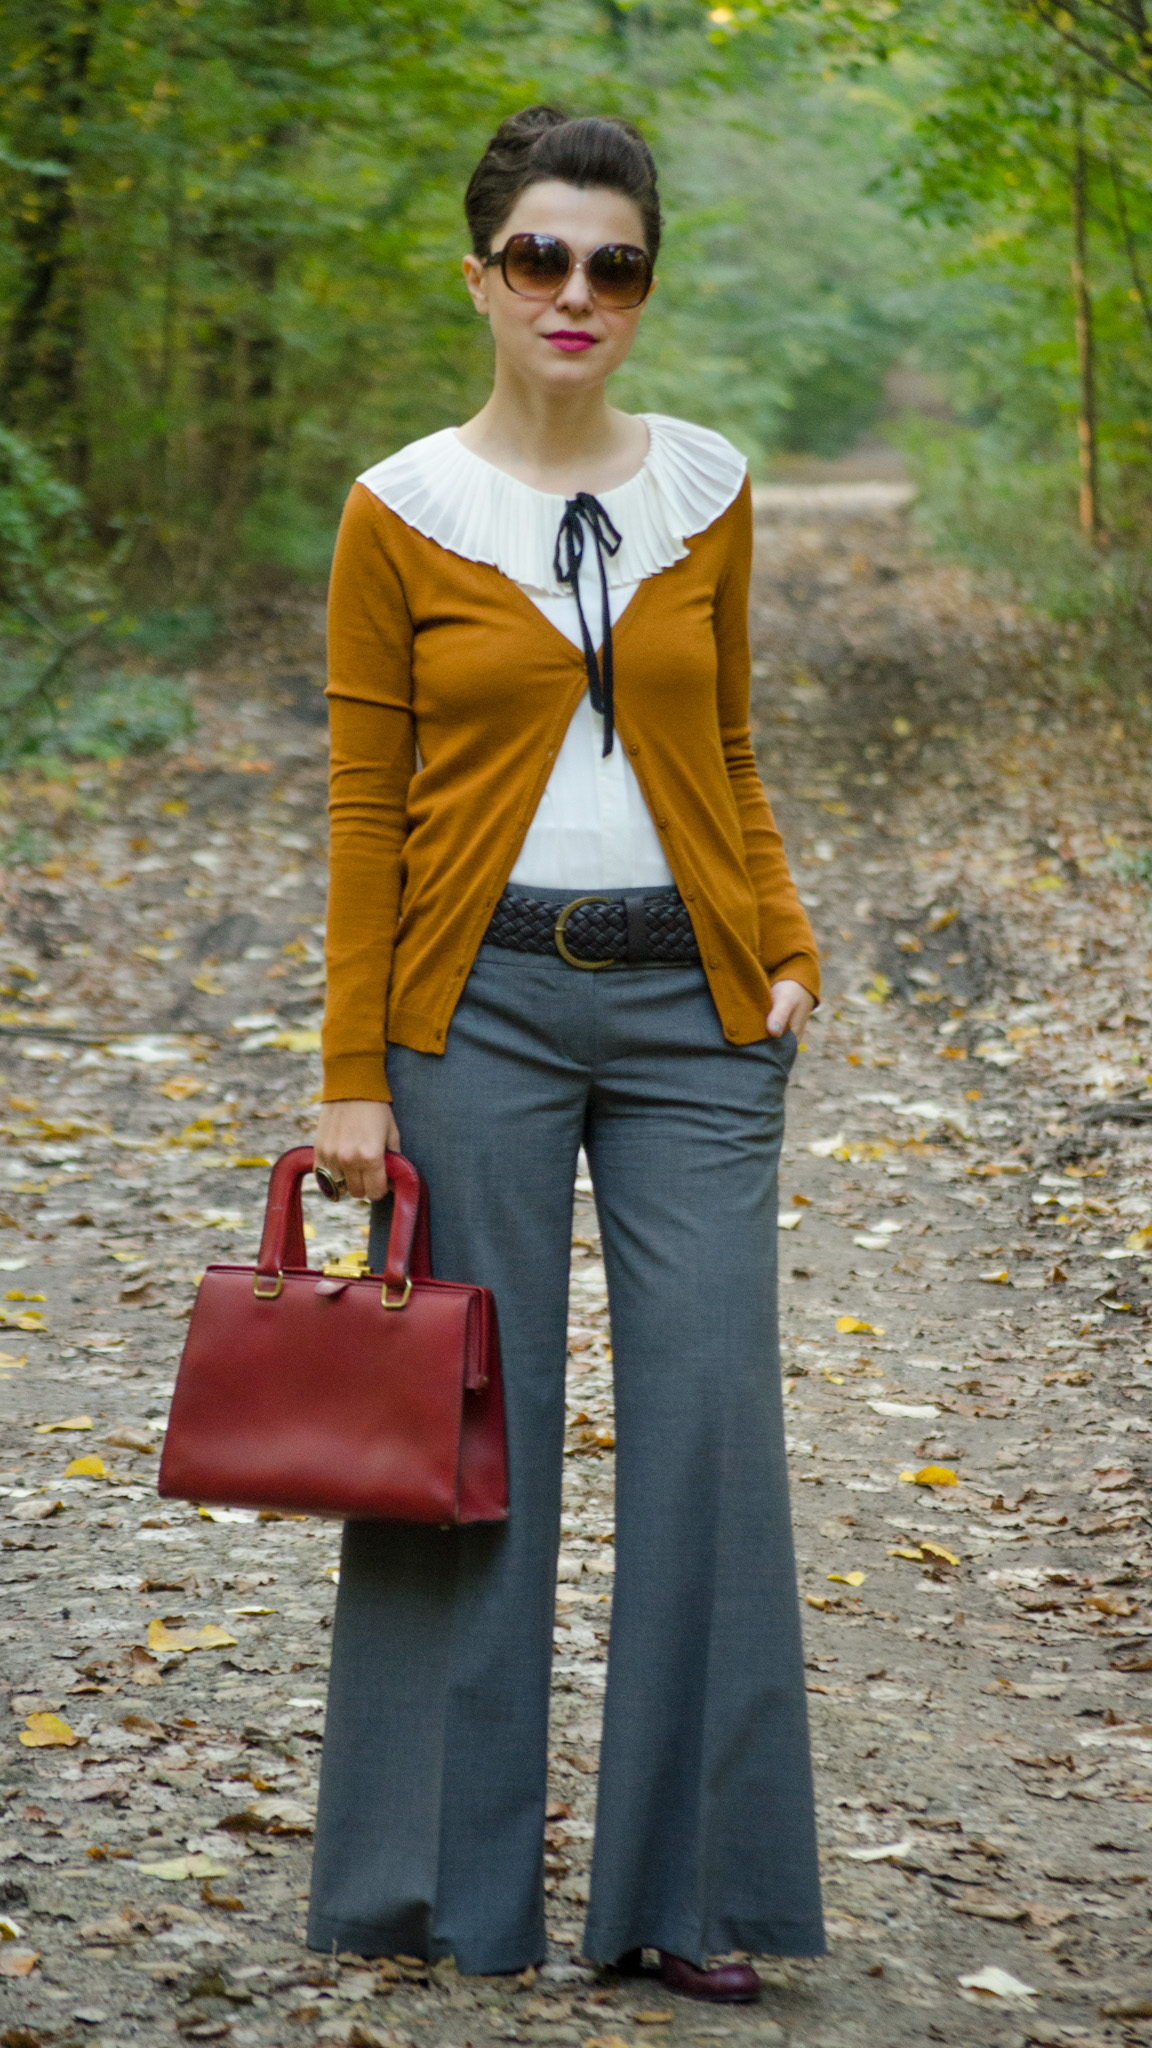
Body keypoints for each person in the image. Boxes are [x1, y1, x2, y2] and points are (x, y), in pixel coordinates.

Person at [308, 104, 825, 2001]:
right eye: (541, 255)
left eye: (613, 261)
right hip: (479, 1014)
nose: (576, 291)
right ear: (481, 276)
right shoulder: (400, 507)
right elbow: (369, 804)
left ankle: (685, 1899)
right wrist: (352, 1060)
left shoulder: (709, 486)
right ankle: (448, 1891)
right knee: (467, 1443)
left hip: (697, 1015)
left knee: (708, 1436)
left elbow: (733, 751)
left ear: (646, 284)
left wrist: (781, 945)